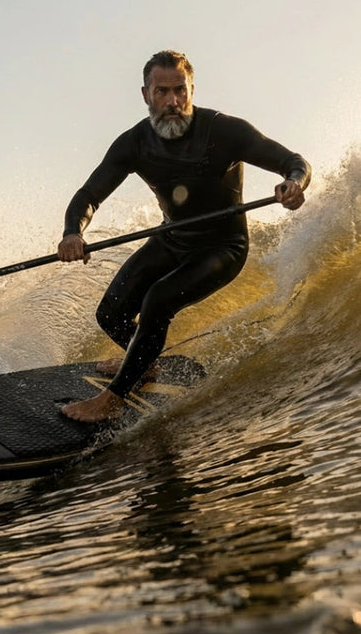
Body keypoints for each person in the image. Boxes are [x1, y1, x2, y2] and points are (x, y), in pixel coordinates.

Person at [57, 50, 311, 423]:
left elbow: (295, 162)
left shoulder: (224, 131)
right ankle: (143, 365)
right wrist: (72, 233)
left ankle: (112, 399)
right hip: (172, 240)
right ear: (146, 94)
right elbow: (88, 196)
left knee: (157, 300)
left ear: (192, 89)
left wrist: (293, 184)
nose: (172, 101)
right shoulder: (134, 143)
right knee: (110, 313)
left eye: (180, 90)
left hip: (223, 247)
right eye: (162, 92)